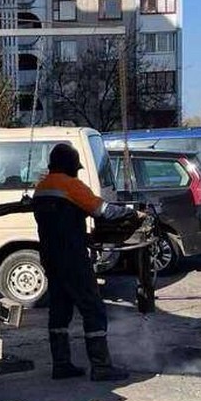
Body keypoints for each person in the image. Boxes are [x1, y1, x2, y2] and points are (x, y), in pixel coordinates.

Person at [33, 143, 139, 381]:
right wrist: (132, 212)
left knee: (59, 311)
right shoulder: (70, 185)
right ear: (70, 165)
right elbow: (103, 211)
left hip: (51, 258)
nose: (77, 171)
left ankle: (61, 364)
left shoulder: (41, 188)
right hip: (73, 258)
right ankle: (101, 366)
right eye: (76, 167)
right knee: (93, 309)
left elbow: (59, 222)